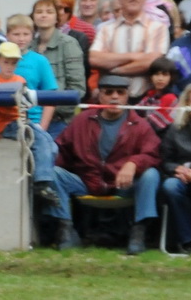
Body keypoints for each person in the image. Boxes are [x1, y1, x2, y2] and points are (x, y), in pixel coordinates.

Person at [51, 74, 163, 254]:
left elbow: (153, 155)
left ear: (127, 96)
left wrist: (133, 163)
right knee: (53, 172)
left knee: (151, 175)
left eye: (120, 92)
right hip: (87, 183)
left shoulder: (140, 125)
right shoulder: (81, 121)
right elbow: (62, 150)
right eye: (109, 92)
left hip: (123, 187)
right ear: (100, 96)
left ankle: (138, 233)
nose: (115, 97)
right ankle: (65, 230)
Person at [0, 41, 61, 209]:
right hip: (5, 125)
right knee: (42, 139)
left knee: (50, 144)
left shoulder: (20, 80)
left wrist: (26, 121)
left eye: (13, 62)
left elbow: (24, 106)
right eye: (6, 62)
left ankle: (41, 180)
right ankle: (42, 182)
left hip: (21, 122)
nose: (10, 66)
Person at [91, 0, 170, 97]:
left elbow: (153, 63)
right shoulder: (105, 30)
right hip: (112, 99)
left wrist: (114, 70)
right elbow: (94, 59)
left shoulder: (159, 28)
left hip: (144, 101)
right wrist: (134, 56)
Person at [27, 0, 87, 132]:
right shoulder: (28, 46)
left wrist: (51, 109)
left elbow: (77, 88)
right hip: (30, 118)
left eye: (49, 12)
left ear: (57, 18)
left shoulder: (69, 44)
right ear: (33, 17)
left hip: (59, 120)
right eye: (39, 11)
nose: (43, 15)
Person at [158, 86, 191, 253]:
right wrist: (178, 169)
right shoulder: (175, 129)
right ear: (186, 105)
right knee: (170, 187)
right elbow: (165, 161)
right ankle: (188, 240)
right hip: (181, 177)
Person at [133, 56, 179, 133]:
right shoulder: (151, 95)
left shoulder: (171, 98)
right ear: (151, 76)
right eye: (156, 74)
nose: (160, 78)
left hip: (162, 139)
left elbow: (154, 124)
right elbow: (135, 111)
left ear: (171, 77)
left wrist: (135, 122)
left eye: (164, 75)